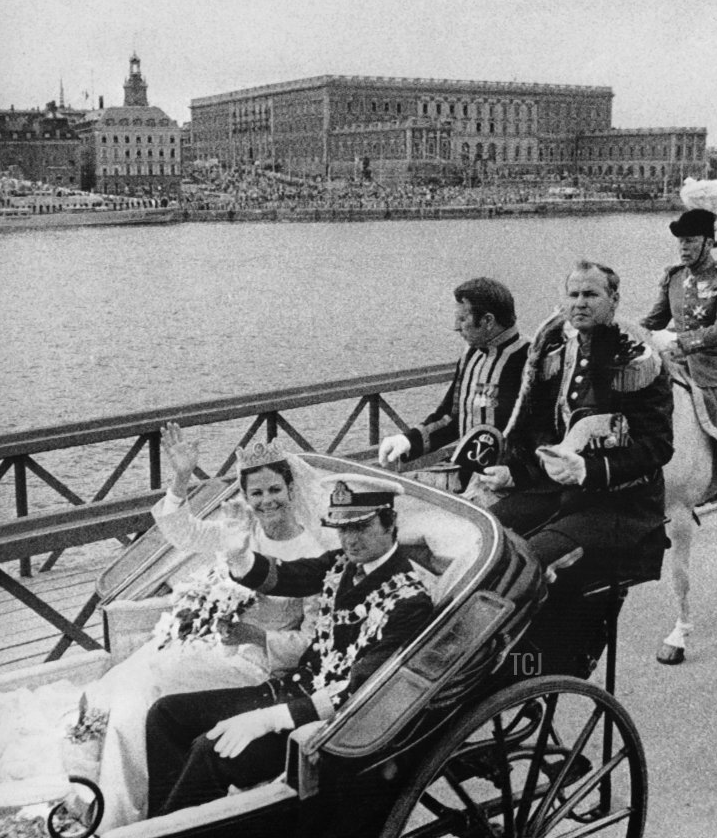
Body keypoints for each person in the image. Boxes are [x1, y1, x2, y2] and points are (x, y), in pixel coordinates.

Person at [80, 427, 333, 830]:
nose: (266, 501)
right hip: (210, 644)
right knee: (129, 677)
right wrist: (181, 478)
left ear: (291, 488)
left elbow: (311, 642)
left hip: (254, 661)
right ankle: (99, 794)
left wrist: (254, 636)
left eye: (274, 490)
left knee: (148, 689)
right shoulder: (240, 533)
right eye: (256, 493)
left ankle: (127, 818)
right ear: (246, 498)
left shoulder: (315, 555)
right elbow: (183, 532)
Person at [145, 479, 434, 817]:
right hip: (290, 690)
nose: (350, 539)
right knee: (166, 715)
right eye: (342, 529)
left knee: (210, 749)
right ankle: (160, 822)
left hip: (328, 728)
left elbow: (366, 689)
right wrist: (239, 555)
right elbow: (286, 576)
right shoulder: (340, 564)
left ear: (390, 522)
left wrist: (271, 719)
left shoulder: (410, 601)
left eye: (361, 526)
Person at [477, 260, 673, 675]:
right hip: (557, 494)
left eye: (591, 295)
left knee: (527, 561)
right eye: (573, 295)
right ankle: (478, 654)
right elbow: (542, 436)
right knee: (484, 538)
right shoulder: (554, 354)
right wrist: (518, 472)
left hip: (620, 506)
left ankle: (533, 665)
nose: (580, 303)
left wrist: (589, 470)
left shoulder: (638, 359)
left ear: (614, 300)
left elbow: (658, 447)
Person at [642, 192, 717, 527]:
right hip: (680, 365)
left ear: (707, 242)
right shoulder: (675, 277)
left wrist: (685, 341)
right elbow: (656, 320)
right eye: (680, 243)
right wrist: (630, 332)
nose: (683, 248)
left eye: (689, 242)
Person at [378, 277, 529, 471]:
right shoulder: (471, 354)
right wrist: (408, 441)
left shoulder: (531, 359)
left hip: (509, 480)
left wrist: (514, 474)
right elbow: (451, 417)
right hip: (469, 471)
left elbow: (544, 435)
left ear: (488, 320)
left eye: (462, 319)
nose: (456, 327)